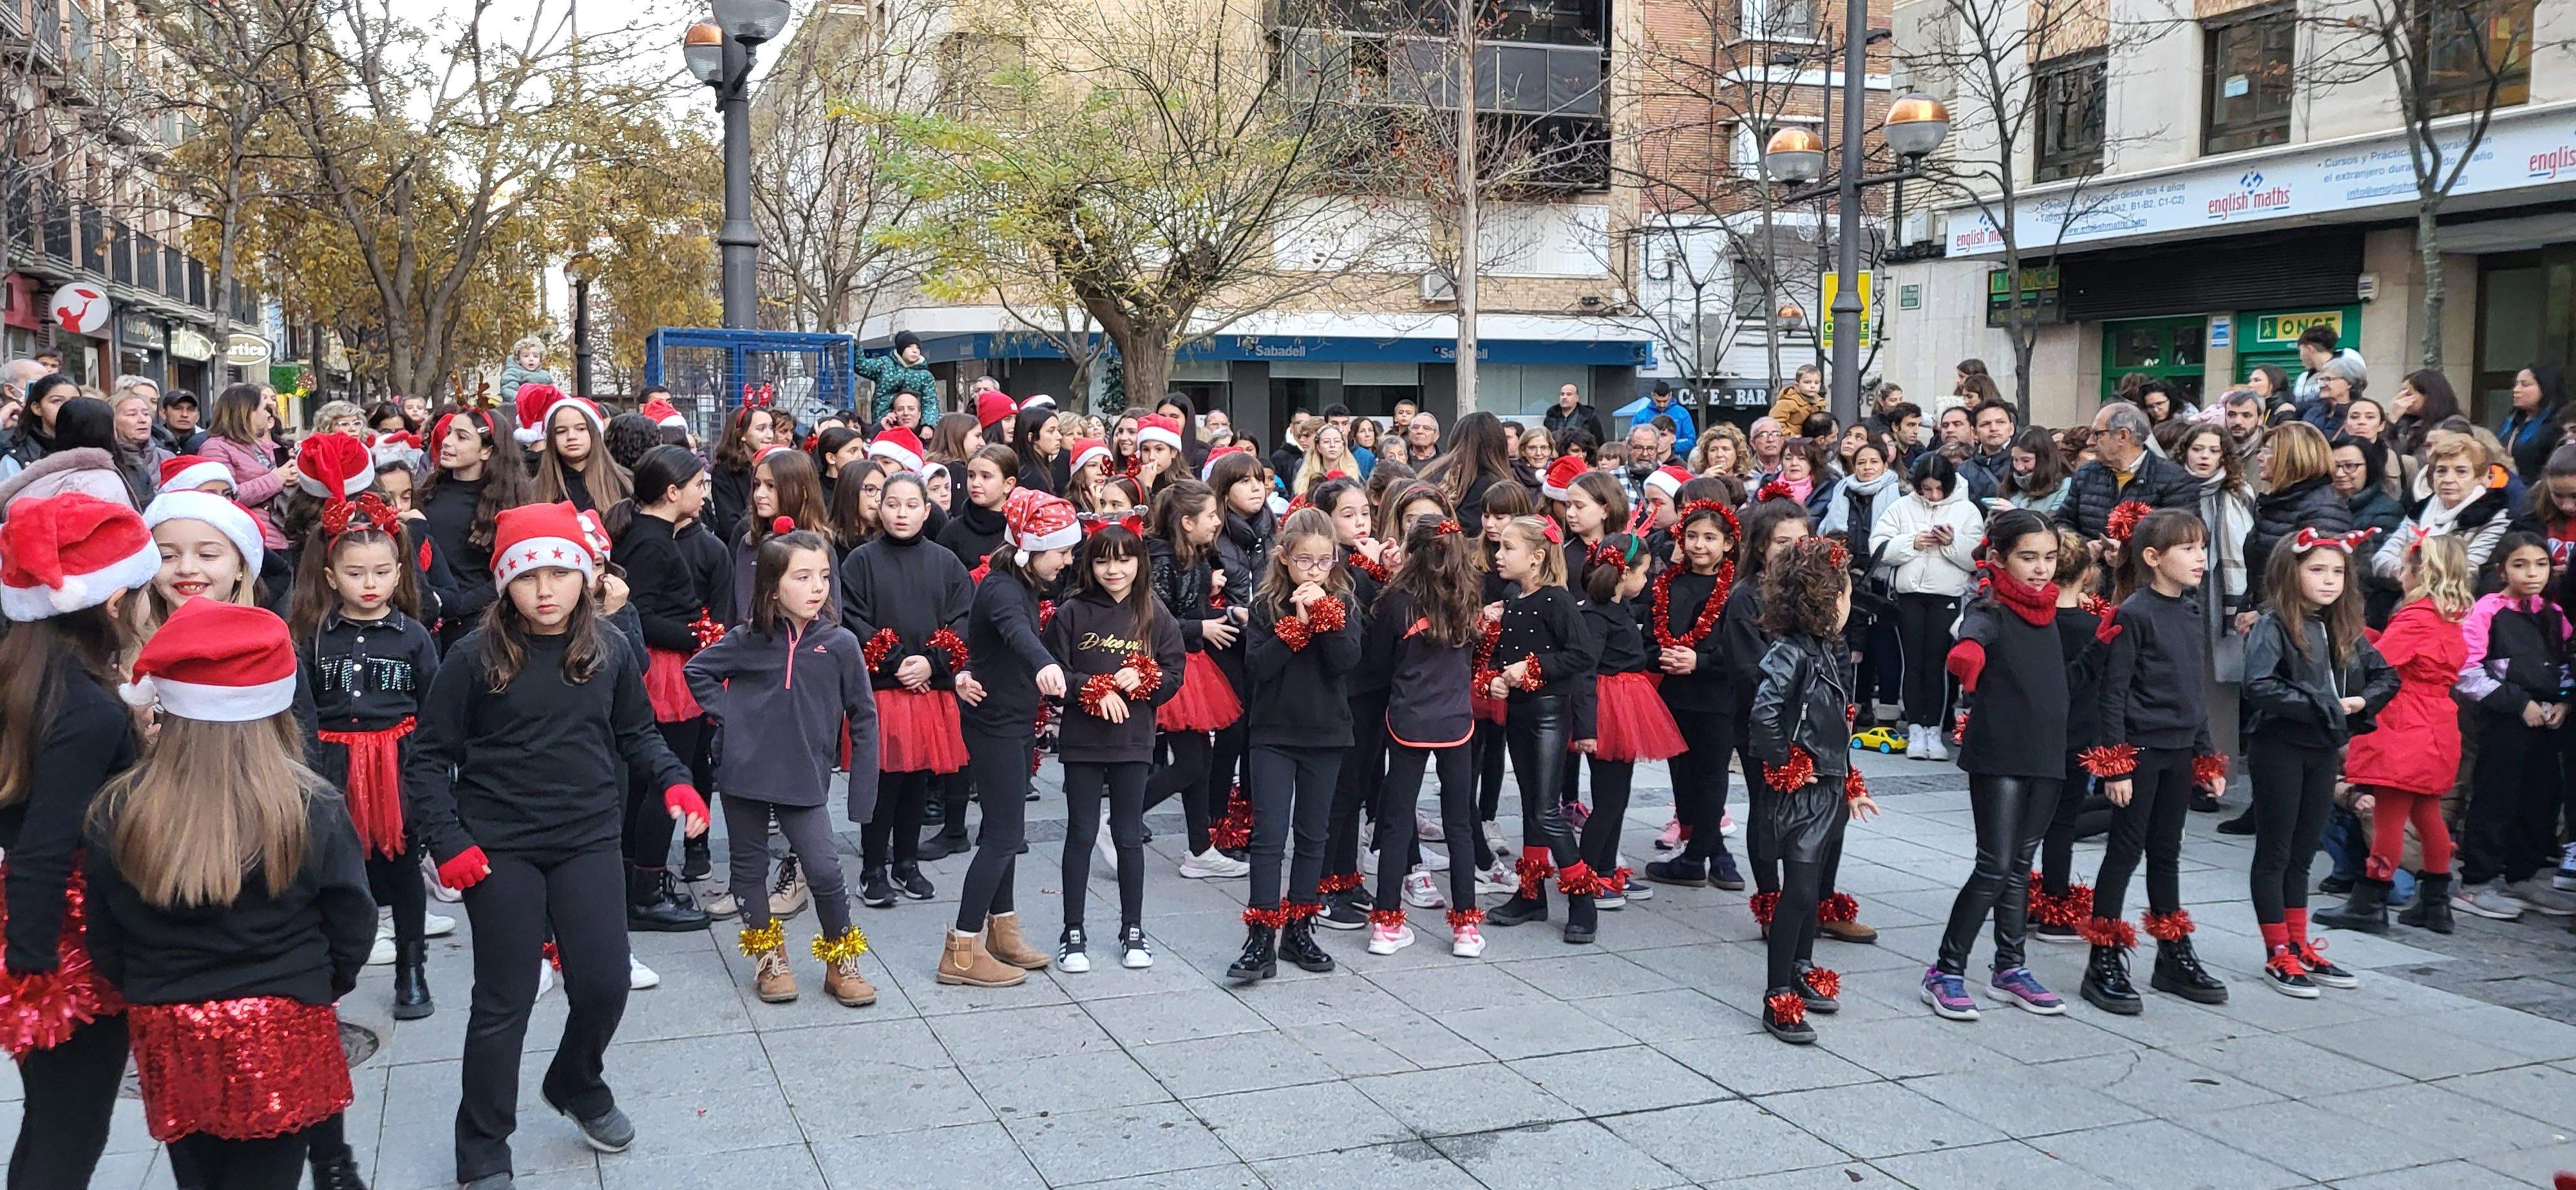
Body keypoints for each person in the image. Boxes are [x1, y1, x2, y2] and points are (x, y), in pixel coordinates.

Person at [404, 502, 708, 1187]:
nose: (545, 590)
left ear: (584, 576)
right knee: (504, 998)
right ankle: (482, 1143)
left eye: (559, 573)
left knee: (602, 983)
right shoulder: (472, 656)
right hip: (498, 847)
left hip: (587, 836)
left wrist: (674, 783)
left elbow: (637, 734)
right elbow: (427, 758)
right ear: (505, 583)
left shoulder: (609, 649)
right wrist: (446, 838)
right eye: (527, 575)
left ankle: (575, 1080)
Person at [82, 599, 374, 1190]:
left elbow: (104, 935)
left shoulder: (119, 809)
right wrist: (319, 984)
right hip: (282, 1020)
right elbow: (352, 919)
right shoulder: (309, 806)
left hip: (170, 1026)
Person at [0, 493, 155, 1186]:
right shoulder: (85, 706)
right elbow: (46, 843)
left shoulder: (23, 676)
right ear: (116, 601)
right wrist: (33, 969)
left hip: (31, 926)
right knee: (73, 1124)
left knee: (50, 1117)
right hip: (66, 944)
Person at [687, 527, 879, 1006]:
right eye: (803, 577)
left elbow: (864, 716)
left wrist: (863, 791)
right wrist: (732, 716)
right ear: (773, 585)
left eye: (823, 576)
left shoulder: (840, 645)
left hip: (805, 777)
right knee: (748, 870)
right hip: (744, 774)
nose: (818, 587)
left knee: (824, 869)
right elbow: (698, 670)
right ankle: (768, 959)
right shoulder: (747, 639)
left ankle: (842, 959)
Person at [1926, 511, 2100, 1019]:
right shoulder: (1992, 606)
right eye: (2029, 558)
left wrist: (2104, 647)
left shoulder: (2049, 612)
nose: (2042, 569)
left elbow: (2062, 683)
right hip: (2001, 751)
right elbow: (1973, 635)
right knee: (1994, 865)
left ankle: (2010, 967)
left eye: (2049, 558)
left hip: (2048, 752)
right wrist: (1968, 652)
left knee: (2022, 866)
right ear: (1999, 558)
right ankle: (1946, 970)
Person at [287, 485, 442, 1028]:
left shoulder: (415, 637)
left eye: (381, 571)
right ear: (332, 578)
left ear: (399, 574)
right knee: (337, 868)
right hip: (333, 764)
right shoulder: (312, 638)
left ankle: (412, 967)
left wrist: (432, 775)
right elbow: (301, 708)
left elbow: (434, 710)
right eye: (355, 573)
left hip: (395, 766)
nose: (369, 584)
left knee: (403, 871)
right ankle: (329, 968)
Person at [2076, 509, 2230, 1015]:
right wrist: (2115, 764)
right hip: (2140, 752)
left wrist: (2206, 757)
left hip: (2179, 749)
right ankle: (2104, 956)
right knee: (2124, 852)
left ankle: (2171, 952)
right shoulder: (2133, 613)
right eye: (2188, 548)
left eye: (2202, 547)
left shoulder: (2189, 611)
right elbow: (2113, 694)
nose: (2200, 557)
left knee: (2166, 851)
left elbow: (2193, 692)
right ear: (2153, 558)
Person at [2238, 529, 2396, 997]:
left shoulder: (2343, 626)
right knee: (2276, 851)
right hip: (2280, 745)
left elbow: (2387, 676)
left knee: (2304, 853)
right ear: (2293, 571)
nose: (2329, 581)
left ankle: (2299, 942)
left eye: (2337, 572)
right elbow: (2260, 685)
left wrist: (2360, 702)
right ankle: (2276, 951)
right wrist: (2325, 703)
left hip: (2322, 747)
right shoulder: (2274, 624)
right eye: (2317, 570)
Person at [1747, 537, 1879, 1044]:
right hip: (1801, 790)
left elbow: (1836, 727)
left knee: (1813, 887)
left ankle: (1802, 966)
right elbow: (1765, 715)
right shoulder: (1790, 652)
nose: (1848, 608)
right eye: (1842, 596)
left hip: (1827, 790)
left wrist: (1849, 784)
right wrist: (1785, 764)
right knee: (1798, 892)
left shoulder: (1827, 652)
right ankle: (1777, 994)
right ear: (1820, 599)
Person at [2318, 534, 2471, 937]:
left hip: (2405, 722)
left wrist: (2350, 633)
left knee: (2389, 814)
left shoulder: (2416, 615)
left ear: (2420, 572)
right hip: (2437, 723)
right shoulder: (2450, 616)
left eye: (2406, 568)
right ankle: (2436, 904)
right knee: (2428, 813)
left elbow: (2381, 662)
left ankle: (2370, 900)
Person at [1230, 507, 1360, 979]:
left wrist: (1325, 618)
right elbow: (1259, 666)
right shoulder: (1266, 604)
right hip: (1273, 734)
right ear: (1285, 559)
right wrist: (1298, 626)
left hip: (1326, 732)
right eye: (1305, 561)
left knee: (1313, 836)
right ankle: (1261, 932)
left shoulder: (1345, 600)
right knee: (1268, 836)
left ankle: (1300, 928)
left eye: (1323, 562)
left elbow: (1347, 661)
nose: (1314, 570)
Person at [1046, 526, 1185, 972]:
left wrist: (1146, 680)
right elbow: (1053, 675)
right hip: (1083, 742)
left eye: (1124, 560)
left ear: (1138, 563)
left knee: (1128, 836)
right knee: (1081, 834)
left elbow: (1173, 673)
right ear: (1090, 564)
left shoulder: (1153, 611)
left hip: (1133, 741)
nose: (1114, 570)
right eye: (1104, 561)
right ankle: (1073, 932)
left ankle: (1133, 929)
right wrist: (1091, 687)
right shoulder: (1071, 612)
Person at [609, 447, 728, 933]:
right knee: (665, 780)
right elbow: (642, 614)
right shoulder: (651, 543)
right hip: (664, 673)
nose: (704, 493)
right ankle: (647, 888)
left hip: (668, 668)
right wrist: (699, 636)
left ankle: (638, 878)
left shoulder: (649, 536)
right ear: (673, 492)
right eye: (698, 485)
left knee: (652, 781)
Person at [1358, 511, 1488, 956]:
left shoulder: (1396, 602)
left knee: (1396, 821)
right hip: (1456, 721)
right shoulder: (1470, 596)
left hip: (1409, 719)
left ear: (1410, 553)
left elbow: (1377, 663)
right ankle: (1466, 929)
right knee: (1459, 824)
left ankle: (1386, 925)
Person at [842, 471, 973, 909]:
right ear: (879, 507)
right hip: (882, 689)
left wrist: (931, 661)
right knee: (882, 781)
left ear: (927, 509)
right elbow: (851, 618)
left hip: (928, 689)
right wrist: (895, 660)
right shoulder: (860, 561)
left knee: (918, 780)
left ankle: (907, 863)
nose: (901, 513)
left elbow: (963, 619)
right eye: (892, 503)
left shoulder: (945, 562)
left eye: (911, 505)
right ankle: (873, 868)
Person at [1480, 516, 1600, 940]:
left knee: (1548, 810)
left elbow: (1581, 655)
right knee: (1533, 803)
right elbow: (1506, 656)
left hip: (1550, 712)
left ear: (1536, 558)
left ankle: (1583, 896)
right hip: (1520, 712)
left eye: (1508, 548)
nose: (1499, 554)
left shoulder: (1556, 600)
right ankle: (1531, 894)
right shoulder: (1514, 598)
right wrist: (1497, 675)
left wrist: (1530, 668)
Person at [2448, 533, 2576, 920]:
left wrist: (2564, 703)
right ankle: (2476, 881)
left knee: (2540, 798)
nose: (2532, 573)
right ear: (2502, 569)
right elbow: (2467, 671)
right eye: (2520, 565)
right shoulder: (2488, 610)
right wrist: (2518, 704)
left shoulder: (2553, 612)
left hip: (2548, 721)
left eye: (2539, 564)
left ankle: (2523, 875)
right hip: (2504, 719)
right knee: (2495, 796)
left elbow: (2568, 661)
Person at [1571, 533, 1681, 911]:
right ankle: (1586, 876)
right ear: (1624, 574)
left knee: (1616, 797)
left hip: (1623, 705)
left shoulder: (1617, 611)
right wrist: (1586, 727)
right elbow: (1585, 671)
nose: (1647, 582)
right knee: (1608, 800)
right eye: (1644, 574)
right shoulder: (1594, 615)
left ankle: (1604, 868)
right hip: (1608, 709)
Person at [1643, 496, 1743, 889]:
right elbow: (1651, 638)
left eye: (1710, 538)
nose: (1700, 545)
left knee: (1712, 773)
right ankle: (1707, 851)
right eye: (1692, 536)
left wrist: (1700, 662)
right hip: (1676, 694)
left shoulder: (1735, 588)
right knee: (1682, 775)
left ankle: (1705, 853)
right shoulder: (1668, 583)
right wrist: (1662, 657)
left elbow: (1740, 647)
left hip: (1717, 695)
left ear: (1728, 544)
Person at [1874, 453, 1984, 760]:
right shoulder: (1901, 507)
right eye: (1927, 489)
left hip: (1946, 594)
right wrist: (1912, 543)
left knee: (1937, 663)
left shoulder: (1967, 510)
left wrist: (1951, 542)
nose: (1933, 495)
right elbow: (1879, 547)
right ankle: (1915, 729)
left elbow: (1977, 556)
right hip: (1908, 593)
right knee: (1912, 662)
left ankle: (1935, 729)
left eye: (1939, 489)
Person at [418, 405, 533, 649]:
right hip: (425, 618)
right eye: (449, 433)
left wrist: (456, 604)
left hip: (477, 625)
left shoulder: (508, 504)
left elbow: (509, 573)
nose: (447, 442)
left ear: (486, 451)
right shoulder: (428, 492)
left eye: (461, 437)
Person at [2374, 433, 2514, 585]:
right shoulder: (2419, 510)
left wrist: (2411, 573)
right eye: (2441, 471)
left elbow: (2469, 574)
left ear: (2480, 477)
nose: (2448, 479)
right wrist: (2410, 575)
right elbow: (2381, 559)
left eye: (2461, 472)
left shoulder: (2494, 518)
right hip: (2405, 595)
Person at [2059, 401, 2198, 540]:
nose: (2090, 442)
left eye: (2097, 434)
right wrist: (2086, 548)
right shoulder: (2086, 474)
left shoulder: (2175, 479)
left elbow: (2185, 536)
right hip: (2091, 561)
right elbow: (2062, 523)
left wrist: (2126, 553)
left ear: (2123, 436)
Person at [527, 390, 630, 515]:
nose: (571, 436)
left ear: (594, 433)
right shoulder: (535, 491)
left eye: (581, 429)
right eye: (561, 431)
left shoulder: (624, 483)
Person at [2499, 363, 2569, 482]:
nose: (2516, 390)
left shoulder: (2558, 426)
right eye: (2516, 384)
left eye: (2525, 385)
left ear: (2545, 388)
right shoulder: (2511, 422)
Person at [860, 332, 940, 424]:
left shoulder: (925, 375)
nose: (915, 351)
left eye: (918, 348)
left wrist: (928, 425)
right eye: (910, 347)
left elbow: (930, 401)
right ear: (901, 349)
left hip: (914, 427)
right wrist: (855, 345)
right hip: (884, 422)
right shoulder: (885, 365)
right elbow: (862, 366)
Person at [1642, 380, 1698, 458]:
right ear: (1653, 395)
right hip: (1649, 460)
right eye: (1658, 401)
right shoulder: (1641, 415)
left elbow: (1691, 441)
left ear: (1671, 395)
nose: (1662, 405)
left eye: (1665, 401)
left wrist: (1669, 445)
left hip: (1674, 460)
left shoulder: (1682, 413)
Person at [1542, 383, 1606, 448]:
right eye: (1562, 394)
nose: (1564, 397)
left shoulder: (1589, 416)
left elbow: (1600, 442)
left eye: (1569, 394)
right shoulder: (1551, 415)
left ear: (1577, 398)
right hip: (1556, 455)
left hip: (1581, 455)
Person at [497, 336, 555, 402]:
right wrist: (518, 399)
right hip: (519, 405)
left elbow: (552, 392)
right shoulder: (513, 373)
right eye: (526, 356)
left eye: (535, 356)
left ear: (541, 359)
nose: (531, 359)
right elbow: (508, 390)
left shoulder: (545, 376)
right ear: (518, 359)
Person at [1768, 364, 1823, 432]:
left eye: (1816, 383)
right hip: (1791, 441)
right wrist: (1791, 438)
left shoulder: (1819, 403)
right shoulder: (1788, 402)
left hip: (1811, 441)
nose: (1813, 386)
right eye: (1807, 382)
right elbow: (1775, 423)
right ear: (1797, 385)